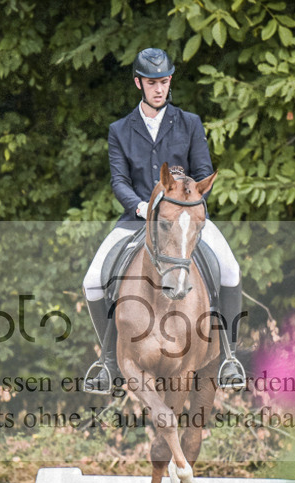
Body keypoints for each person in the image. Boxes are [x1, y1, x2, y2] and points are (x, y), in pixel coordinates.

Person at [82, 47, 246, 394]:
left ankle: (230, 356)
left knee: (230, 269)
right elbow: (119, 182)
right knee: (92, 281)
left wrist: (189, 202)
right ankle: (108, 361)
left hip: (184, 219)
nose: (160, 89)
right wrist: (143, 209)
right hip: (137, 219)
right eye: (153, 82)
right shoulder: (120, 130)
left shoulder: (189, 123)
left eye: (165, 82)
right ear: (138, 83)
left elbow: (202, 172)